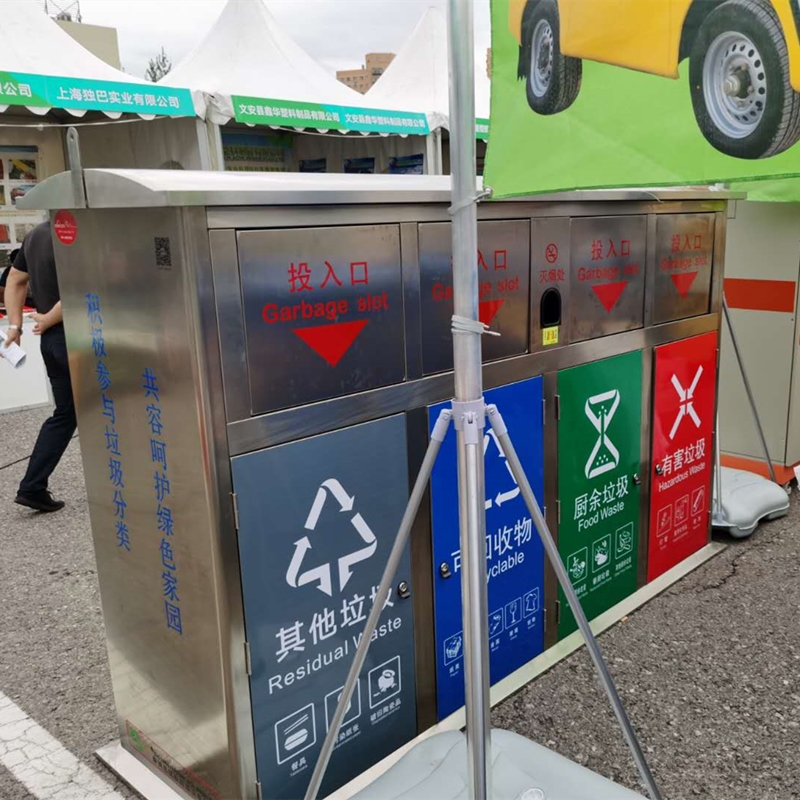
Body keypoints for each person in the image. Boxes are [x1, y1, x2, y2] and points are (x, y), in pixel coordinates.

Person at [3, 221, 75, 512]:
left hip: (52, 342)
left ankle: (32, 487)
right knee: (120, 407)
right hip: (84, 337)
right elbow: (81, 285)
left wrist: (15, 325)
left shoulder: (35, 234)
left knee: (66, 414)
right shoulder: (80, 230)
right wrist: (50, 318)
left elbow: (15, 279)